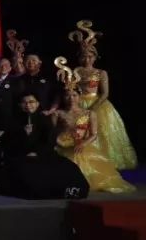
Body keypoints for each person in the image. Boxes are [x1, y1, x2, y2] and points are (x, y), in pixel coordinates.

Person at [53, 59, 133, 193]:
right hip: (62, 146)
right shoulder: (58, 113)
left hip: (82, 146)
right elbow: (53, 132)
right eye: (68, 96)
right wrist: (59, 142)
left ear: (79, 97)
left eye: (74, 95)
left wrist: (83, 143)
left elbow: (94, 134)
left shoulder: (89, 113)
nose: (71, 98)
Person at [70, 22, 137, 170]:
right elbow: (70, 89)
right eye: (84, 56)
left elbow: (105, 93)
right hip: (78, 104)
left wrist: (93, 108)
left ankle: (102, 164)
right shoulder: (76, 71)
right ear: (79, 57)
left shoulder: (101, 73)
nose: (87, 59)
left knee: (100, 133)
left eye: (90, 56)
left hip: (98, 104)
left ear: (95, 57)